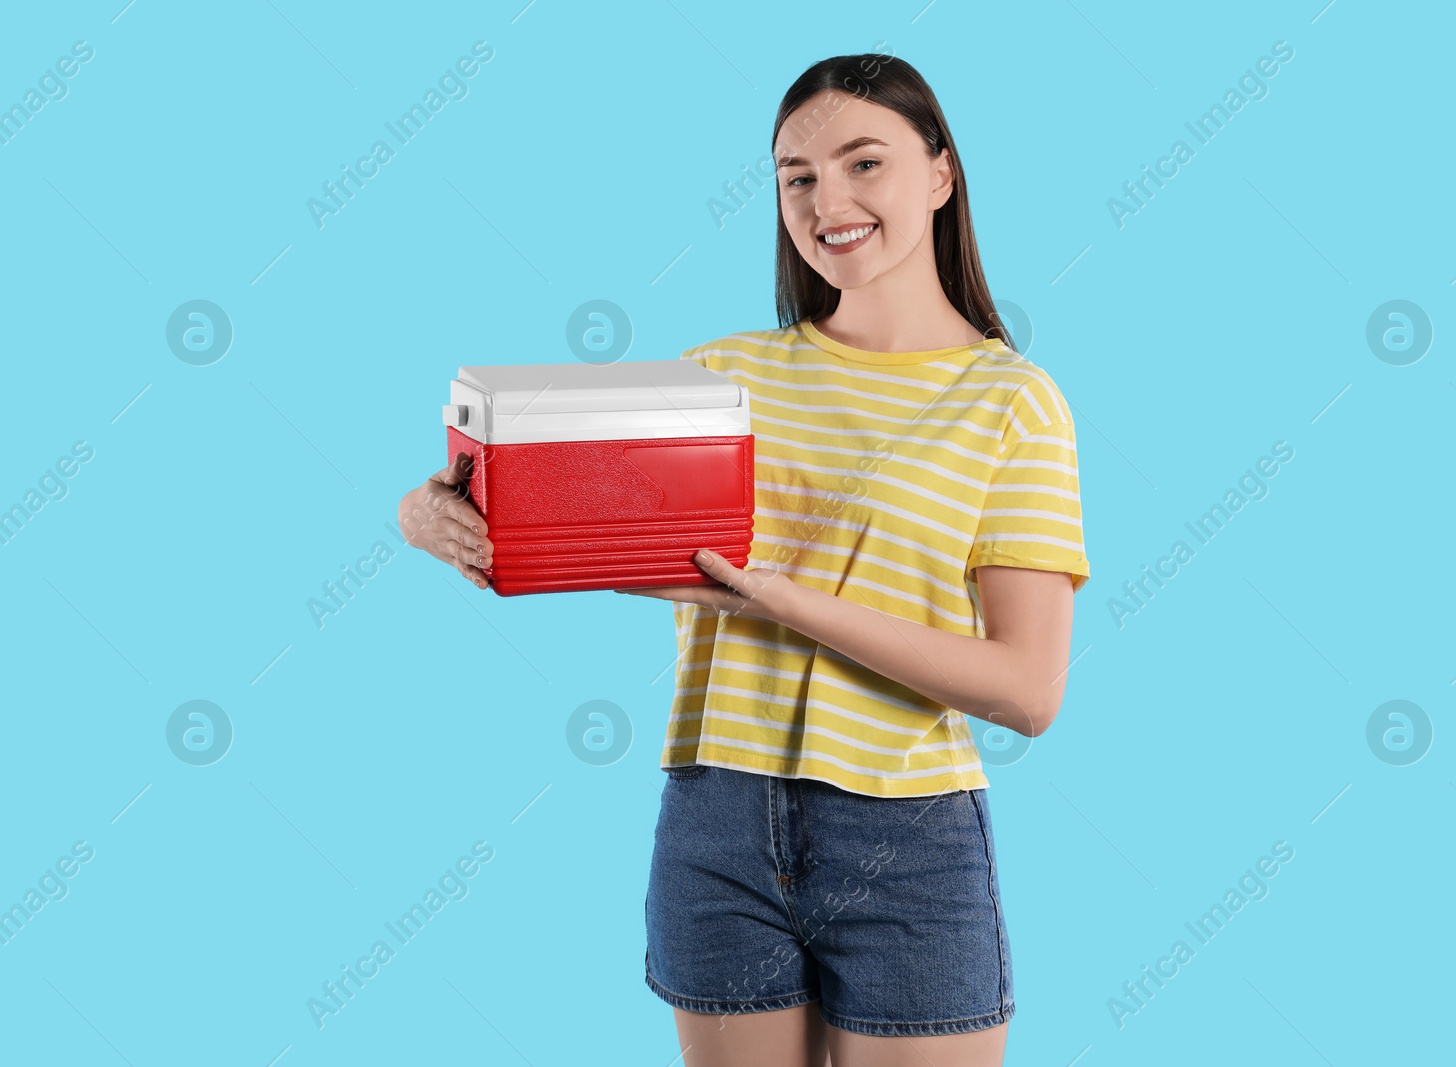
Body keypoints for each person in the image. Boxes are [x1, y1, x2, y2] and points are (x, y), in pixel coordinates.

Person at [398, 52, 1090, 1067]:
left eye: (865, 163)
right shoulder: (720, 377)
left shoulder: (1011, 402)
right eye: (797, 177)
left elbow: (1027, 689)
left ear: (939, 174)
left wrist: (781, 600)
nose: (828, 201)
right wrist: (433, 508)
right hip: (716, 820)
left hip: (907, 831)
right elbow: (584, 539)